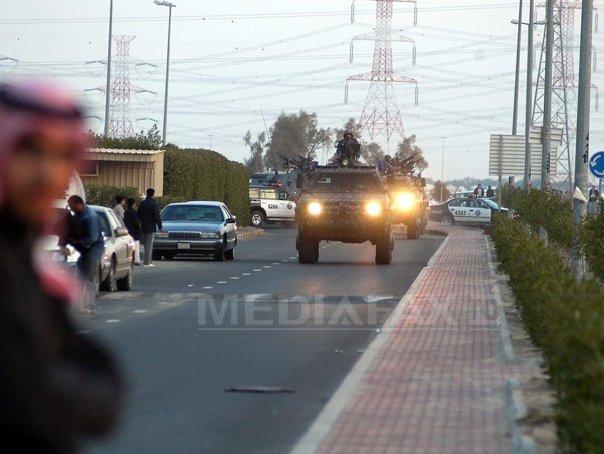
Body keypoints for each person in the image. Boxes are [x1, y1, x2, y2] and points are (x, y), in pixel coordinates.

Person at [0, 79, 122, 451]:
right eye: (31, 151)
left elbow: (102, 390)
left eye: (62, 156)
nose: (46, 173)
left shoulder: (26, 263)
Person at [66, 195, 104, 313]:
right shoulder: (79, 216)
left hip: (94, 250)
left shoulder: (91, 217)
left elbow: (92, 238)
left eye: (72, 207)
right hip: (84, 250)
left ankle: (89, 306)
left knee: (89, 278)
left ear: (78, 204)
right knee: (79, 277)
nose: (72, 210)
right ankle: (78, 304)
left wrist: (77, 241)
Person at [138, 187, 162, 266]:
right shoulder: (153, 204)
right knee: (149, 244)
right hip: (151, 226)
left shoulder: (142, 203)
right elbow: (156, 216)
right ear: (153, 194)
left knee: (145, 245)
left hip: (143, 226)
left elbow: (138, 214)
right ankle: (147, 262)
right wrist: (160, 226)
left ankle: (149, 261)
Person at [124, 197, 142, 265]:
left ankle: (130, 259)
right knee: (136, 247)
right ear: (133, 204)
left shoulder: (126, 212)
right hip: (135, 233)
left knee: (129, 247)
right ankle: (136, 260)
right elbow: (136, 223)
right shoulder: (133, 212)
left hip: (128, 232)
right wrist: (138, 229)